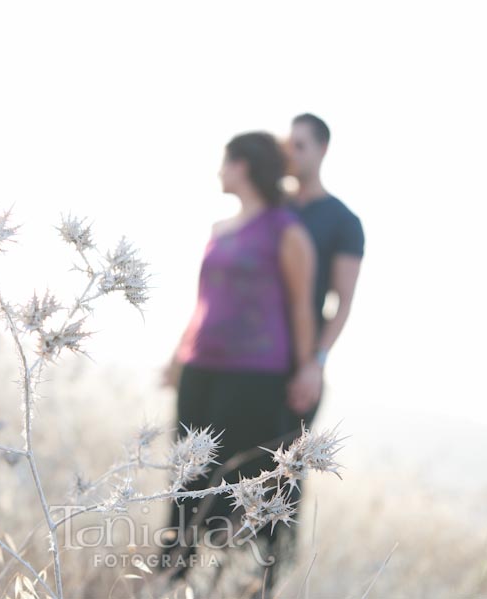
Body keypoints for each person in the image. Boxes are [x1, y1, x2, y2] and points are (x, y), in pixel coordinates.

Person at [158, 131, 321, 588]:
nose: (219, 171)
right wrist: (177, 357)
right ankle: (173, 574)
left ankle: (240, 580)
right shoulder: (218, 230)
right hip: (200, 368)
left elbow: (301, 306)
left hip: (255, 375)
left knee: (239, 479)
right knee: (186, 473)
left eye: (225, 162)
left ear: (244, 166)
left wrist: (308, 366)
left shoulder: (286, 230)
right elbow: (203, 302)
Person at [283, 113, 365, 427]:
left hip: (298, 363)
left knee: (283, 471)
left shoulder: (343, 221)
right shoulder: (272, 208)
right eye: (289, 146)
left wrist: (315, 363)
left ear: (323, 149)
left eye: (301, 146)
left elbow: (342, 302)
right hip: (251, 356)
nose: (292, 154)